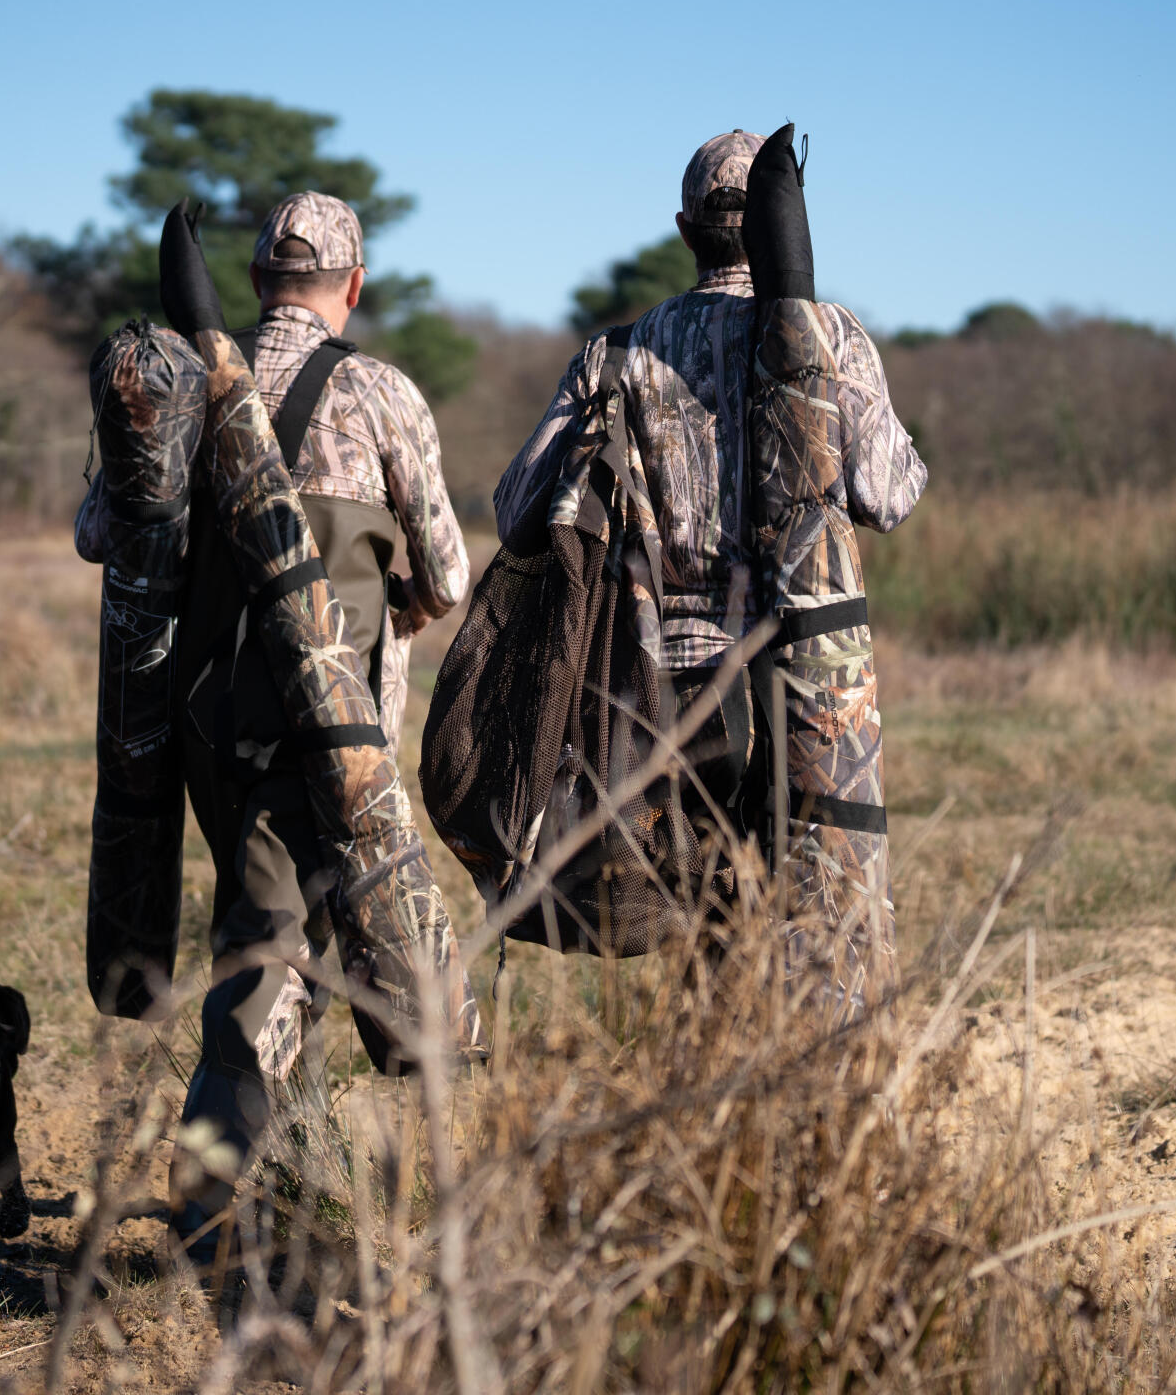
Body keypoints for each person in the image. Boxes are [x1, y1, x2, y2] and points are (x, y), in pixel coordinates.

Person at [491, 130, 927, 982]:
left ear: (686, 231)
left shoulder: (612, 356)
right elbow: (891, 495)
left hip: (661, 691)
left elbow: (517, 512)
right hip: (810, 686)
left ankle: (708, 1098)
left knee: (704, 930)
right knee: (813, 930)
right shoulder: (830, 333)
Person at [166, 192, 470, 1255]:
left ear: (257, 285)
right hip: (331, 740)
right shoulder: (379, 392)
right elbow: (446, 571)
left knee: (285, 939)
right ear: (353, 285)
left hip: (206, 728)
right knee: (269, 961)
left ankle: (290, 1182)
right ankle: (206, 1211)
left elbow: (100, 531)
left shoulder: (178, 386)